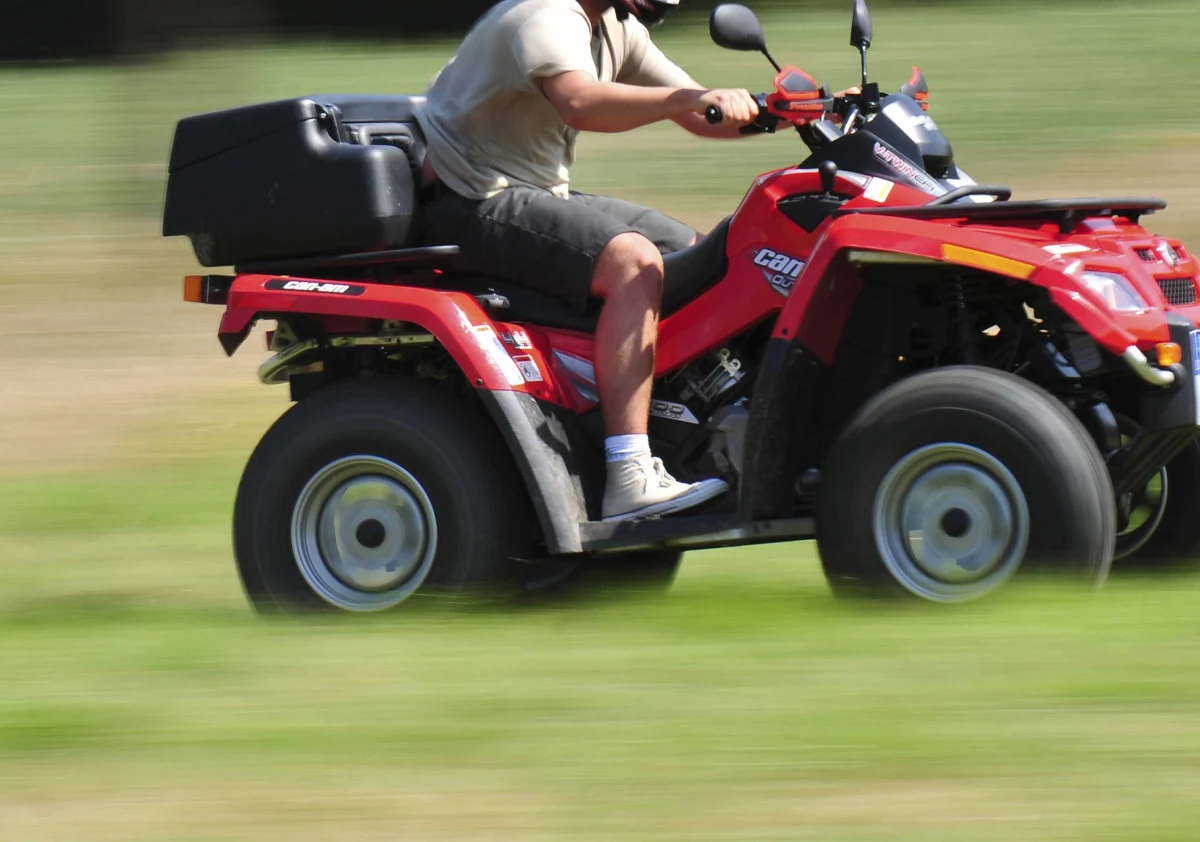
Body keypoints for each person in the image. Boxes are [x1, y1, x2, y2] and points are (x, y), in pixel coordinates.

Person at [415, 0, 765, 522]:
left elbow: (698, 112)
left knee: (696, 252)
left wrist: (792, 111)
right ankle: (628, 474)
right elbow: (579, 102)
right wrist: (689, 99)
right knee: (633, 263)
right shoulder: (545, 13)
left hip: (531, 193)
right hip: (468, 198)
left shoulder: (616, 27)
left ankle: (685, 423)